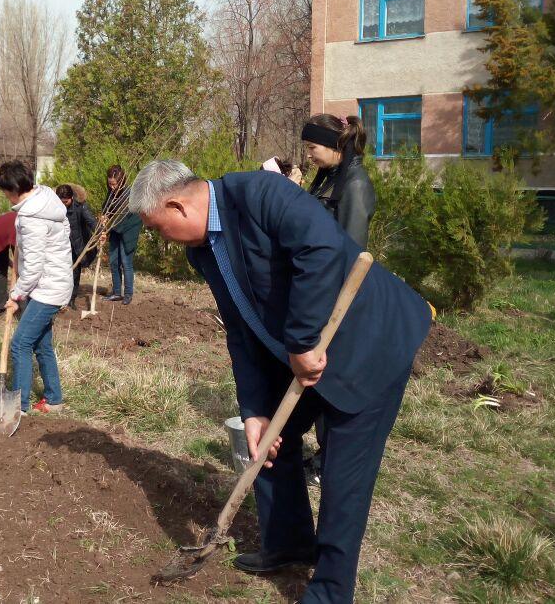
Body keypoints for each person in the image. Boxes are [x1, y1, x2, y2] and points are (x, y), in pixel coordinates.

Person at [129, 160, 431, 604]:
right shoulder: (203, 251)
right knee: (270, 439)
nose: (161, 239)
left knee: (344, 475)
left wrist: (304, 341)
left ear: (177, 206)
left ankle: (330, 591)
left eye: (158, 228)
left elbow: (322, 249)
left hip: (368, 341)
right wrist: (253, 409)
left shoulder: (260, 194)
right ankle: (289, 543)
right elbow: (240, 328)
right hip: (303, 355)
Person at [0, 161, 72, 414]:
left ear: (14, 189)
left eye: (5, 190)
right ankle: (54, 399)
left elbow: (35, 266)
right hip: (54, 282)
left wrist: (16, 294)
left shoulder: (32, 216)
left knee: (20, 344)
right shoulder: (48, 199)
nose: (5, 195)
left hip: (47, 288)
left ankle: (19, 406)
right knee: (41, 344)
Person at [302, 115, 376, 249]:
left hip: (331, 268)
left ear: (334, 145)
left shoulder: (356, 184)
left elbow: (353, 248)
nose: (308, 154)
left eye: (312, 147)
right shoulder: (332, 177)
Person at [100, 165, 142, 305]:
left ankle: (128, 294)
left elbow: (127, 216)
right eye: (109, 184)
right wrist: (104, 217)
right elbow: (106, 208)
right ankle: (117, 292)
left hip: (128, 231)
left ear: (121, 181)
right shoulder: (111, 193)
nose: (112, 187)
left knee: (126, 262)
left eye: (114, 184)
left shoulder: (129, 194)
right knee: (113, 262)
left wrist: (109, 225)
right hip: (116, 230)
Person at [56, 184, 97, 310]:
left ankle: (71, 300)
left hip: (77, 246)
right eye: (61, 202)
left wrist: (100, 232)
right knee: (59, 273)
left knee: (74, 273)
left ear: (72, 198)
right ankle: (57, 299)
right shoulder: (53, 207)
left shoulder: (81, 207)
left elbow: (91, 221)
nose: (64, 205)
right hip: (60, 246)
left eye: (66, 202)